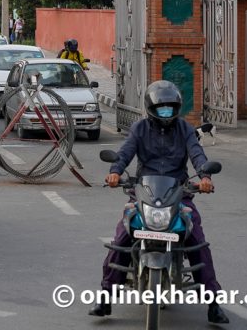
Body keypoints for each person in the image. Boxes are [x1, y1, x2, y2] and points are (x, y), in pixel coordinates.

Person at [89, 80, 229, 325]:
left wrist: (204, 176)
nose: (167, 112)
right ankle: (105, 296)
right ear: (151, 107)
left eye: (171, 107)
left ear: (177, 108)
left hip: (179, 192)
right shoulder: (139, 129)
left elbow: (197, 153)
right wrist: (115, 172)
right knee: (123, 236)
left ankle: (214, 302)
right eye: (162, 107)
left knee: (196, 238)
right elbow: (125, 153)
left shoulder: (185, 129)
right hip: (143, 192)